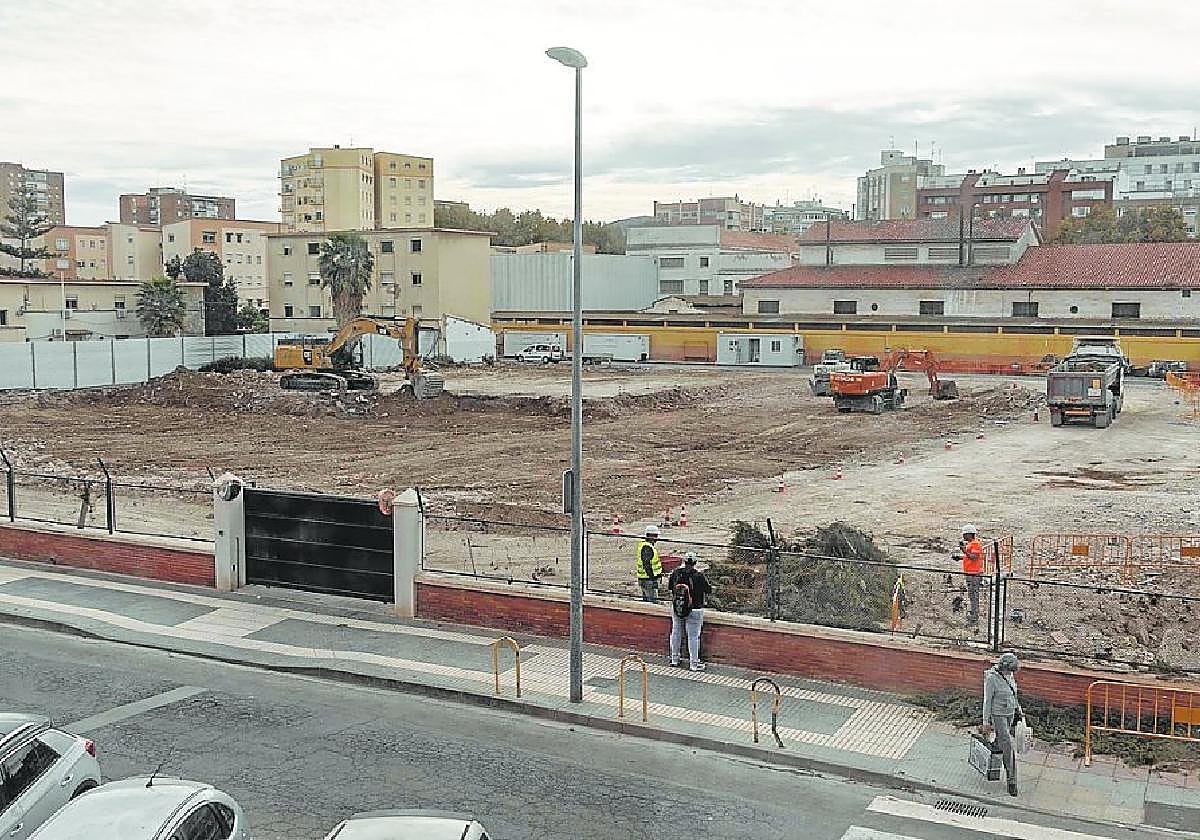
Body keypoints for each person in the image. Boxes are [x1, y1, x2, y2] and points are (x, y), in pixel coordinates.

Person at [981, 651, 1024, 797]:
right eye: (1011, 670)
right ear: (1004, 667)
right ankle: (1012, 780)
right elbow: (987, 701)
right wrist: (986, 722)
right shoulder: (992, 679)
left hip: (1010, 712)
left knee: (1000, 741)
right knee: (1007, 745)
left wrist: (1019, 710)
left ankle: (992, 759)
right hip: (998, 715)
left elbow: (1014, 693)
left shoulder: (1009, 675)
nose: (1012, 673)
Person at [667, 552, 712, 671]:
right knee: (693, 636)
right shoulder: (699, 576)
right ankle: (694, 664)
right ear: (695, 563)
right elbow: (708, 590)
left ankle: (674, 659)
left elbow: (670, 587)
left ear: (684, 561)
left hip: (678, 607)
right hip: (695, 609)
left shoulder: (676, 573)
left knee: (676, 632)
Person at [958, 524, 985, 625]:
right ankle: (973, 614)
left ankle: (974, 617)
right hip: (970, 573)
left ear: (970, 534)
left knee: (974, 595)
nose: (963, 537)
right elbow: (970, 557)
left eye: (965, 534)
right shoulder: (971, 544)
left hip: (974, 574)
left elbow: (973, 557)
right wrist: (961, 557)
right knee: (971, 595)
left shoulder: (975, 544)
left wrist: (963, 550)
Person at [635, 525, 663, 603]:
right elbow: (647, 565)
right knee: (653, 603)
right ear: (651, 536)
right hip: (648, 580)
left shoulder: (646, 546)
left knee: (647, 602)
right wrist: (653, 579)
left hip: (645, 579)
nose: (657, 538)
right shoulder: (647, 548)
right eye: (656, 536)